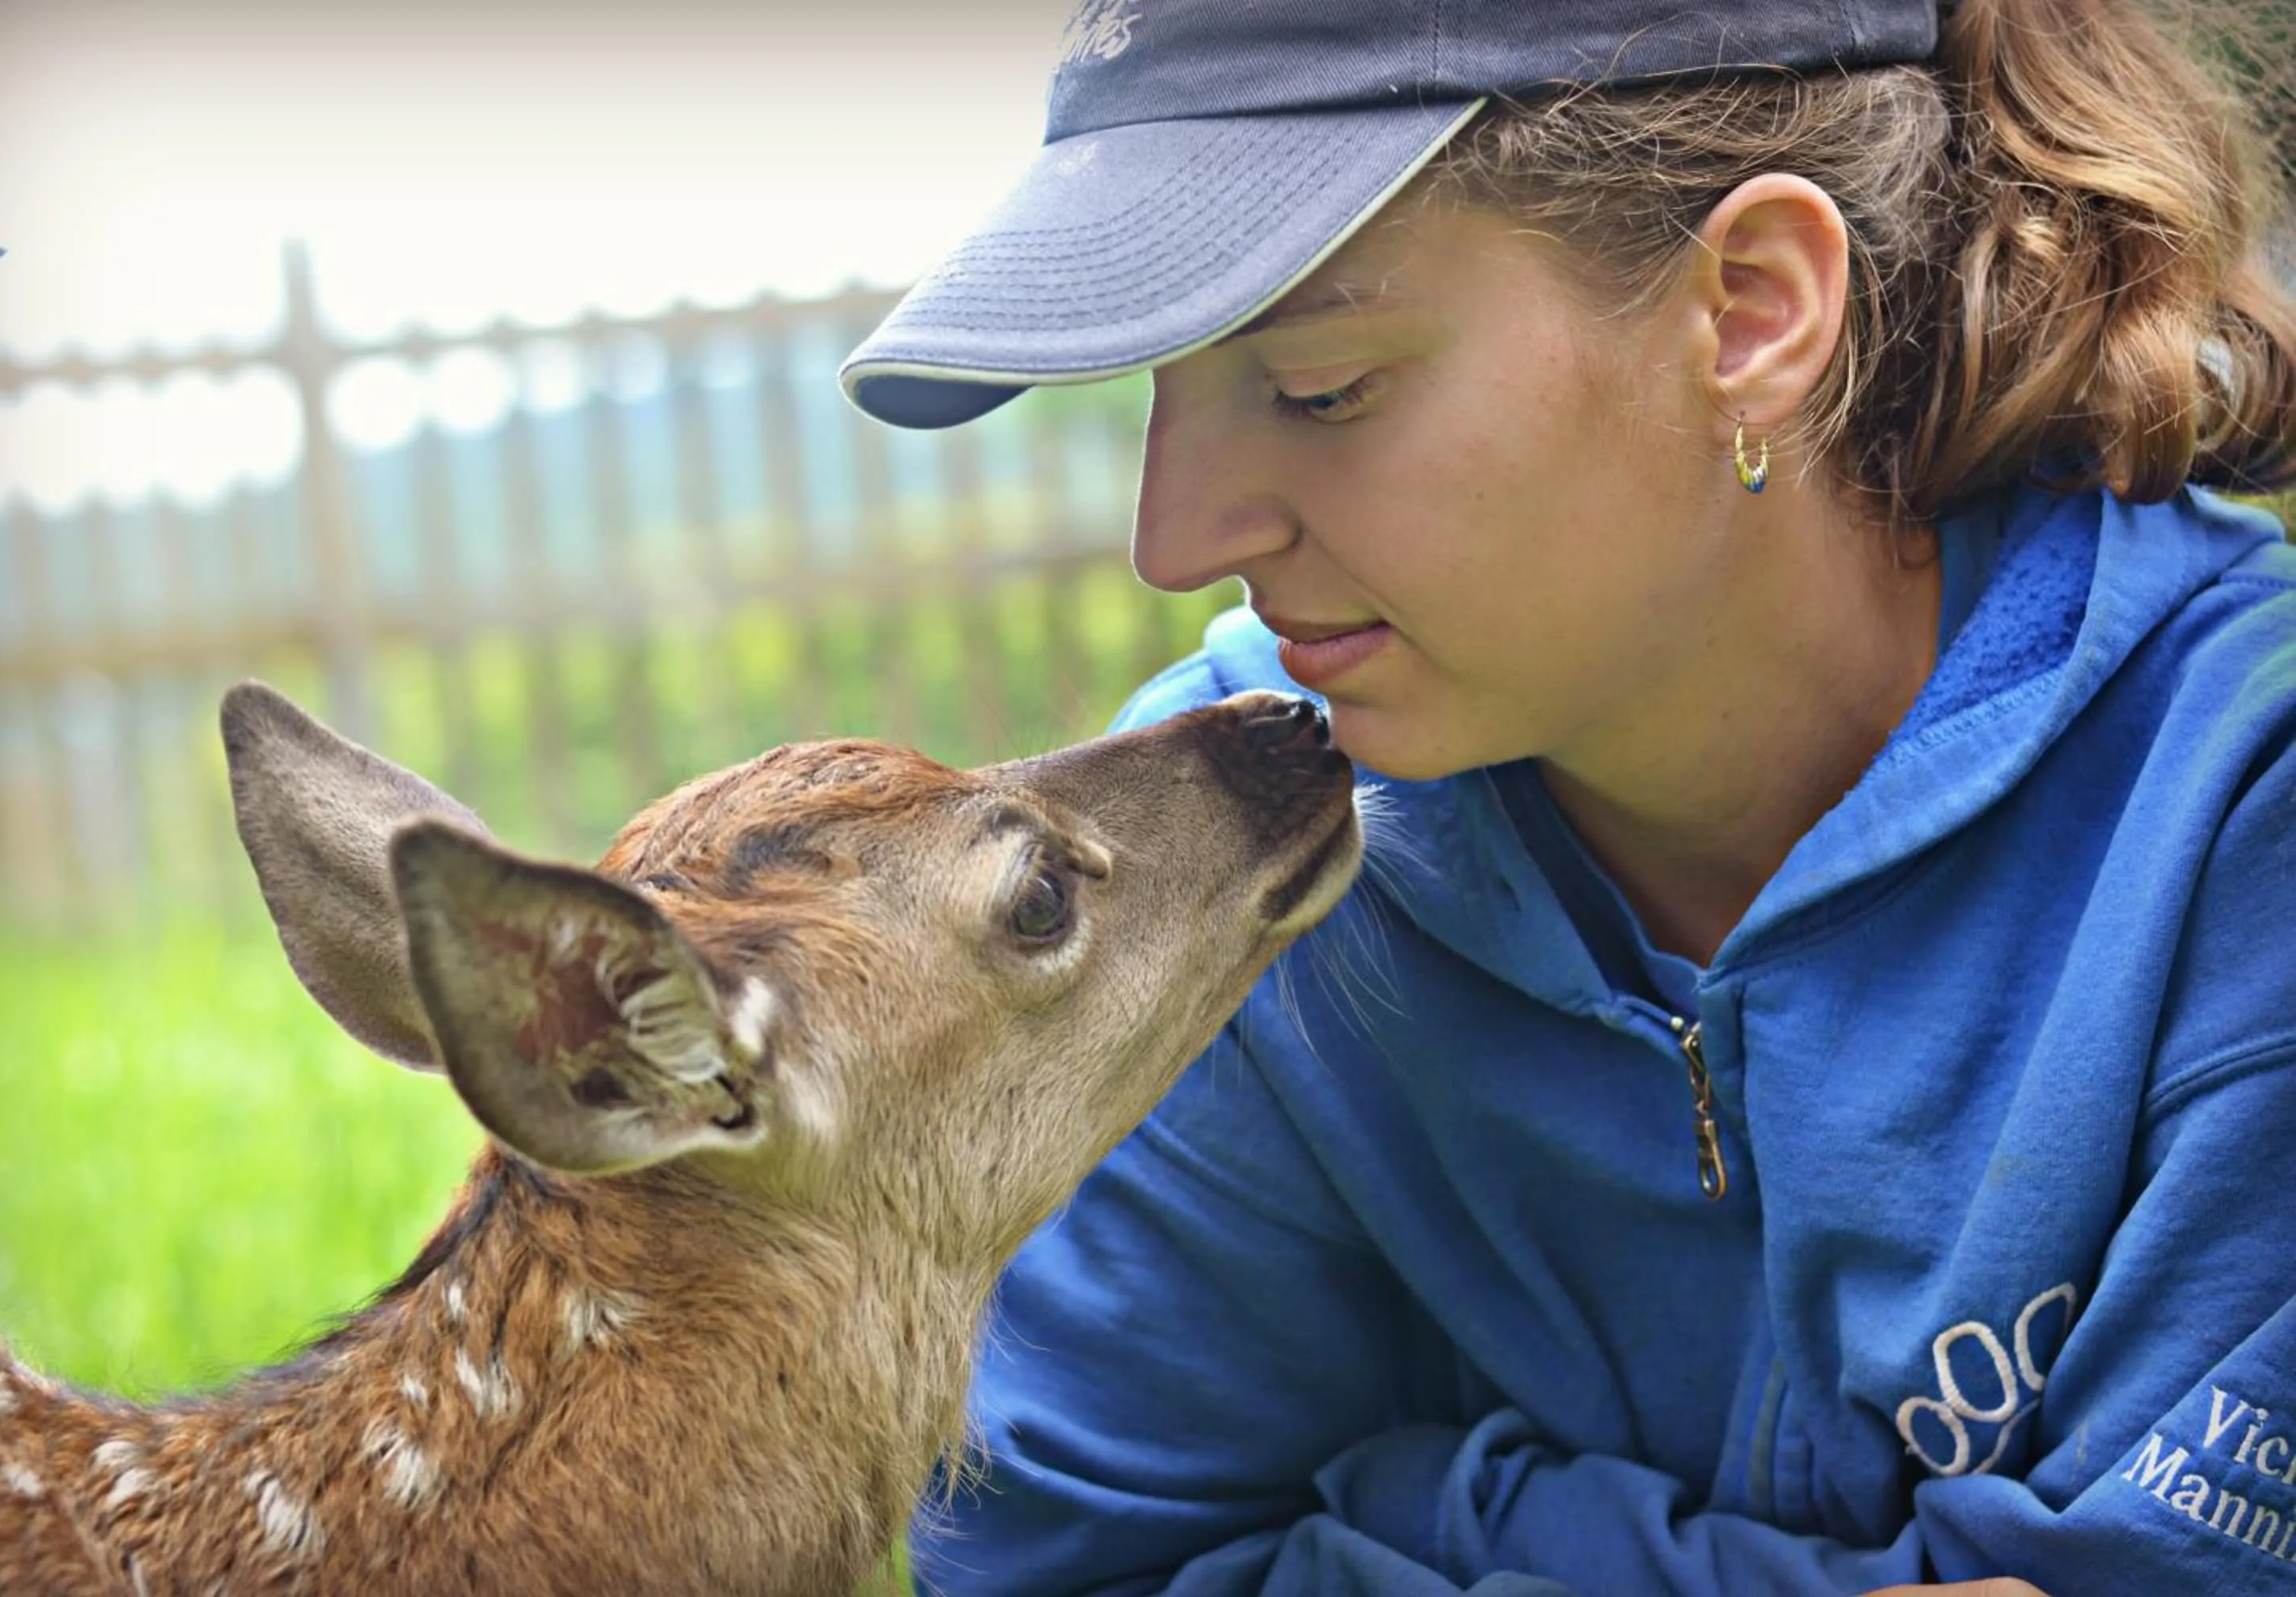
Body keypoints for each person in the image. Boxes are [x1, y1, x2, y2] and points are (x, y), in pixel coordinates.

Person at [838, 0, 2296, 1591]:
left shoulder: (2243, 816)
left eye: (1317, 386)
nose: (1175, 538)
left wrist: (1435, 1512)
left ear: (1748, 311)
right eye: (1160, 392)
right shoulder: (1219, 863)